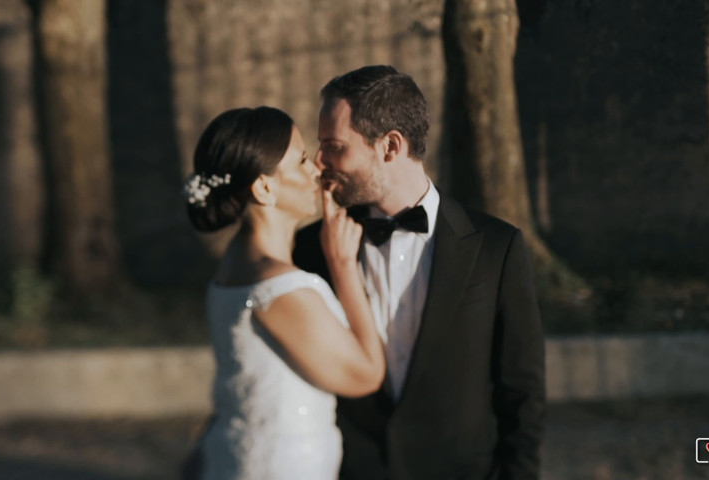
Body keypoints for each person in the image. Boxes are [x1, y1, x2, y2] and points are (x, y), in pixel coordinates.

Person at [293, 65, 546, 479]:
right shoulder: (311, 248)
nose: (320, 162)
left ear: (391, 146)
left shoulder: (497, 248)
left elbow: (523, 392)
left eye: (334, 146)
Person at [184, 106, 385, 480]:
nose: (316, 171)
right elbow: (366, 376)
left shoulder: (236, 261)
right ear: (264, 187)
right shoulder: (279, 289)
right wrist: (342, 265)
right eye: (302, 161)